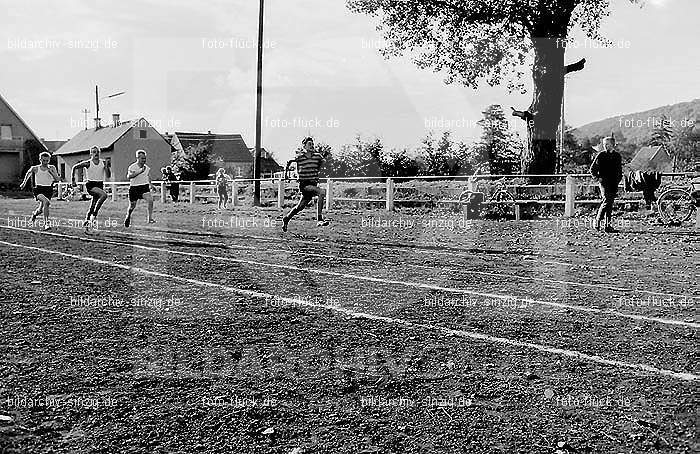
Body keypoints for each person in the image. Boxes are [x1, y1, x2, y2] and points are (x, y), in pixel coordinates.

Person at [281, 137, 330, 232]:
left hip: (313, 183)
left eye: (312, 144)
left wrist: (322, 164)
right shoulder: (300, 157)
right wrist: (286, 175)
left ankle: (286, 218)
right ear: (304, 146)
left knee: (299, 207)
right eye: (309, 144)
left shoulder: (317, 156)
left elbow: (324, 164)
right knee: (322, 192)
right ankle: (319, 219)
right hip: (305, 185)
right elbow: (289, 162)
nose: (312, 146)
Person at [71, 146, 111, 232]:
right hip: (91, 185)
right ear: (91, 154)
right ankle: (94, 214)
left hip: (99, 184)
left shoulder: (103, 162)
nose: (96, 153)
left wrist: (107, 167)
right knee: (104, 195)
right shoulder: (88, 163)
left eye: (97, 152)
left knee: (93, 205)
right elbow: (74, 167)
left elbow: (108, 175)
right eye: (94, 152)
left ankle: (87, 220)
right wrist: (73, 180)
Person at [19, 152, 61, 231]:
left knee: (41, 209)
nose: (45, 162)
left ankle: (34, 214)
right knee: (46, 202)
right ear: (40, 159)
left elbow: (57, 179)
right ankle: (46, 224)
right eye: (44, 160)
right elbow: (28, 173)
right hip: (38, 189)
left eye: (47, 161)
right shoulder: (35, 168)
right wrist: (24, 183)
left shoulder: (52, 167)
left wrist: (51, 172)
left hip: (48, 189)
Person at [590, 136, 622, 232]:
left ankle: (607, 226)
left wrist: (618, 179)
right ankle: (597, 220)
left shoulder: (617, 156)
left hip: (614, 182)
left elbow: (619, 170)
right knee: (607, 200)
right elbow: (592, 169)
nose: (605, 146)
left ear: (613, 145)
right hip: (604, 182)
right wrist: (597, 178)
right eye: (604, 144)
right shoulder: (601, 155)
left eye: (607, 144)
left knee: (609, 204)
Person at [124, 149, 156, 227]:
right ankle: (128, 216)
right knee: (132, 206)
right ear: (137, 158)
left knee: (150, 200)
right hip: (134, 188)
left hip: (144, 187)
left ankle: (150, 218)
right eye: (142, 158)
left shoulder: (147, 168)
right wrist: (140, 171)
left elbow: (148, 176)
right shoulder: (132, 167)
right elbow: (129, 176)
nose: (144, 160)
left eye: (145, 158)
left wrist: (151, 185)